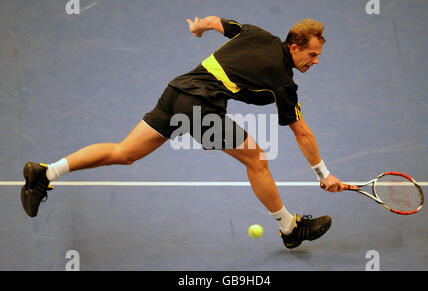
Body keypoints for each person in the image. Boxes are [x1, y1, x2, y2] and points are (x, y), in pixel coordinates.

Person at [21, 16, 344, 249]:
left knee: (125, 153)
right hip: (199, 105)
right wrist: (323, 174)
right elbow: (301, 133)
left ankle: (46, 172)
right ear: (294, 47)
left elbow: (220, 23)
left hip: (176, 91)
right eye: (312, 54)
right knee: (257, 158)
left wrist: (198, 26)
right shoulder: (283, 83)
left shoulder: (257, 33)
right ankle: (289, 228)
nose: (315, 61)